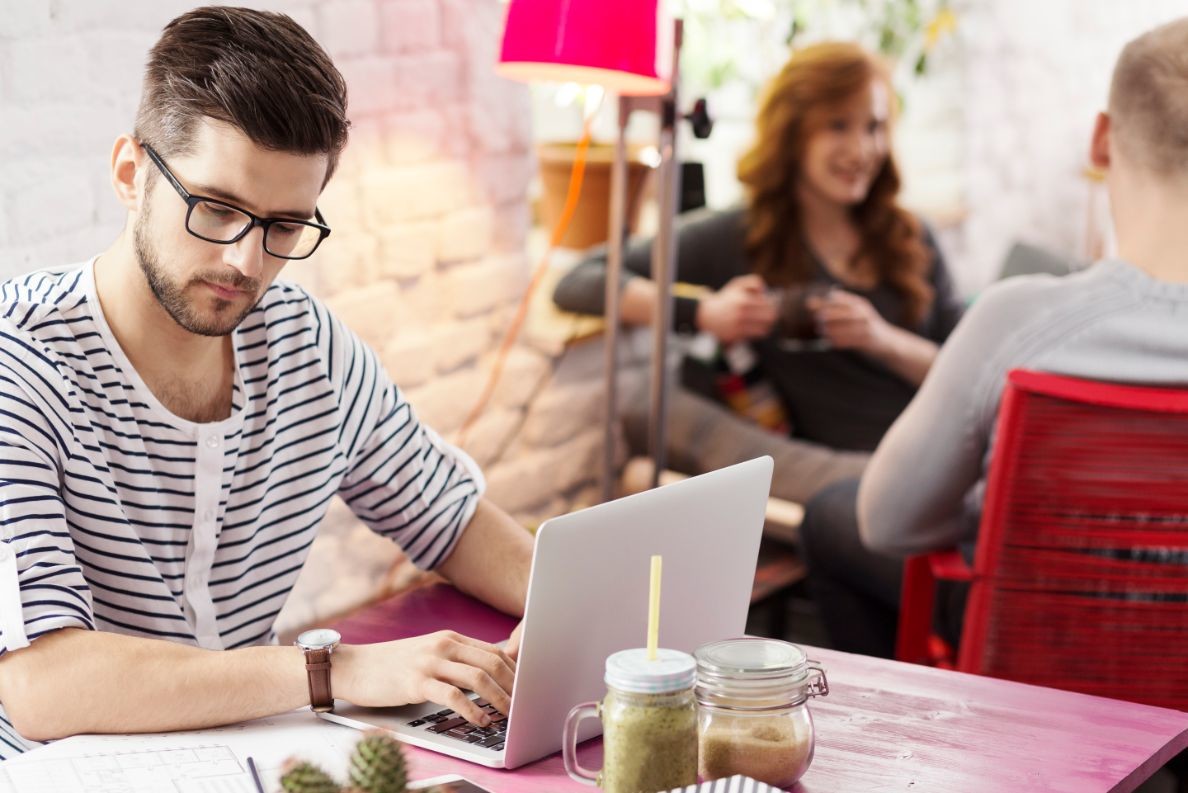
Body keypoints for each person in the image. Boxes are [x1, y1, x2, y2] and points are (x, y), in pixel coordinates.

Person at [0, 7, 533, 759]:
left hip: (255, 755)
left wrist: (563, 605)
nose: (248, 263)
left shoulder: (305, 343)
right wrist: (335, 668)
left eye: (285, 226)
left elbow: (450, 517)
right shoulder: (18, 367)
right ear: (130, 174)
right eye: (217, 209)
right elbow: (44, 687)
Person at [799, 17, 1188, 659]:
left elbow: (890, 521)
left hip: (1043, 653)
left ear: (1100, 142)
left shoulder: (1016, 321)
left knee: (836, 515)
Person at [553, 42, 964, 506]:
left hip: (938, 456)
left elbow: (971, 375)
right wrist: (704, 311)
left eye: (874, 127)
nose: (862, 149)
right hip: (848, 481)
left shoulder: (912, 237)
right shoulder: (740, 235)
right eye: (837, 126)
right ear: (793, 134)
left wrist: (881, 339)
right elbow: (579, 280)